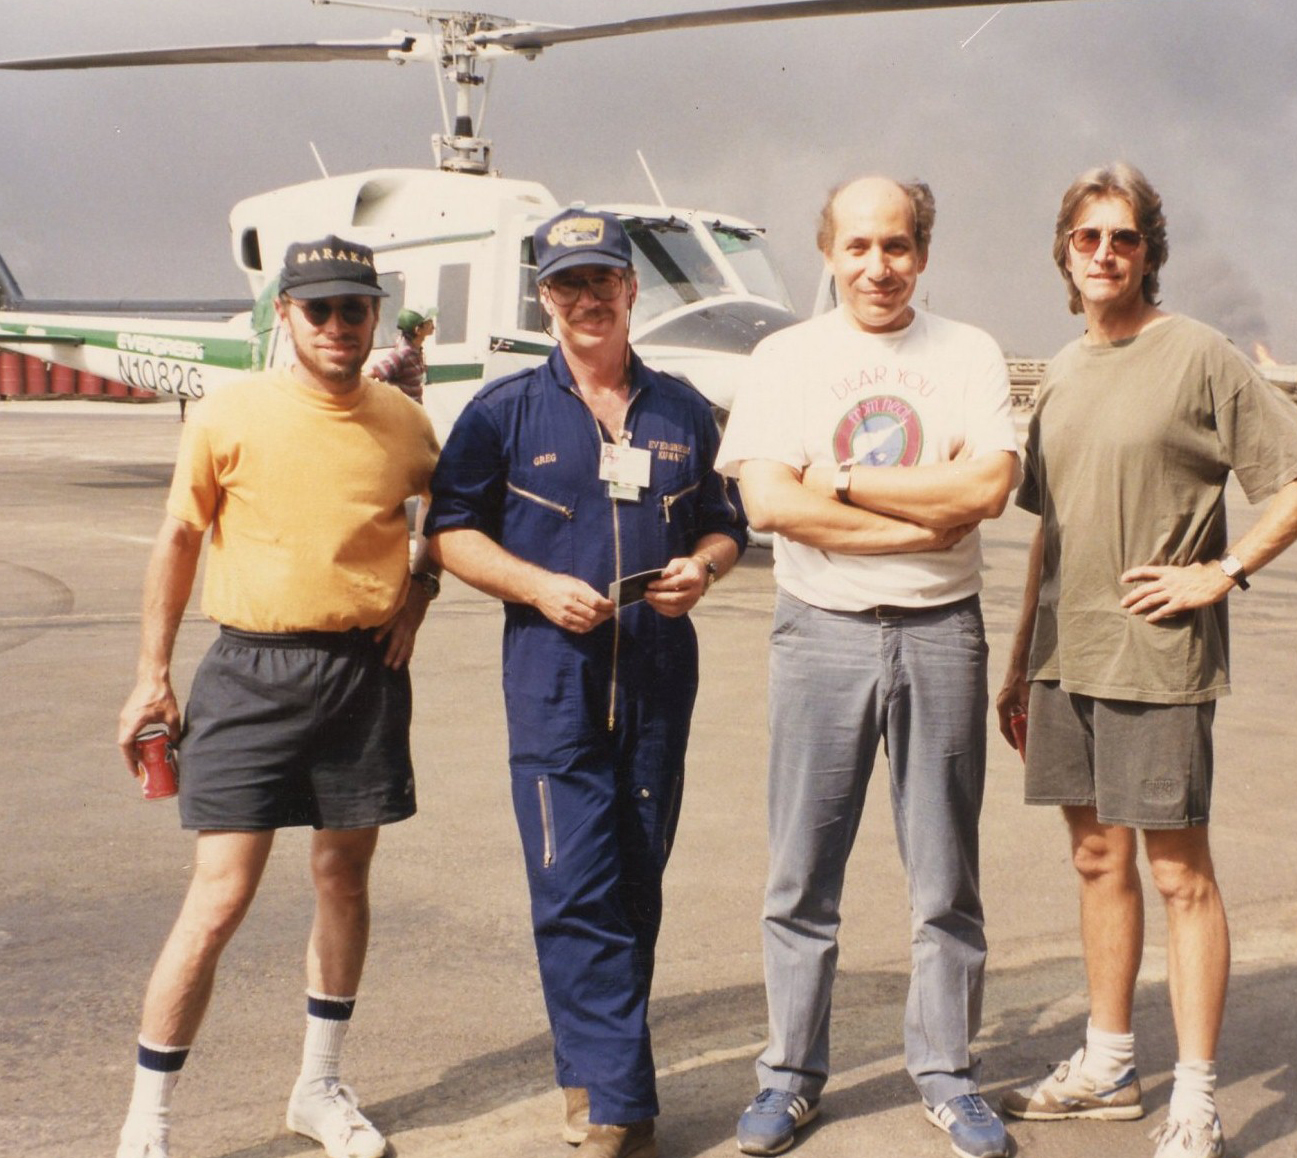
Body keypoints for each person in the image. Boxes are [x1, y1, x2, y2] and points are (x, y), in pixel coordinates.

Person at [995, 163, 1297, 1158]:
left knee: (1179, 871)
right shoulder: (1061, 369)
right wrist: (1022, 661)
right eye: (1087, 238)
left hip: (1157, 657)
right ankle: (1110, 1062)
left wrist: (1222, 571)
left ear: (1149, 251)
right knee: (1095, 857)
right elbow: (1047, 529)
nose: (1106, 253)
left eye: (1125, 238)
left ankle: (1194, 1092)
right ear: (1064, 253)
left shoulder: (1198, 353)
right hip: (1068, 657)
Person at [424, 208, 746, 1158]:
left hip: (656, 678)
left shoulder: (683, 409)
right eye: (567, 285)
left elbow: (728, 523)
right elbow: (450, 532)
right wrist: (532, 586)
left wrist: (707, 568)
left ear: (632, 288)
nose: (587, 299)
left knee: (635, 883)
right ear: (544, 298)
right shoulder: (503, 412)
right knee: (572, 885)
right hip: (553, 680)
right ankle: (614, 1102)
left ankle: (595, 1072)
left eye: (603, 280)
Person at [112, 236, 442, 1158]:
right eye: (319, 310)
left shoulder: (407, 424)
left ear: (374, 314)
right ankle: (148, 1121)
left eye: (354, 309)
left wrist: (418, 592)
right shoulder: (228, 414)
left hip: (363, 678)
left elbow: (446, 517)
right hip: (250, 672)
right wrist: (151, 674)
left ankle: (319, 1086)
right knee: (219, 899)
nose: (338, 326)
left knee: (343, 877)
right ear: (286, 315)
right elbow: (179, 540)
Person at [716, 176, 1019, 1158]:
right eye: (857, 247)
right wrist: (918, 523)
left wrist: (841, 483)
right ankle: (790, 1077)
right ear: (829, 252)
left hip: (942, 631)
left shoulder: (966, 352)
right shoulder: (785, 357)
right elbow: (768, 504)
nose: (877, 267)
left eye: (896, 246)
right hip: (821, 632)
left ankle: (946, 1072)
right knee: (801, 873)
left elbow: (985, 490)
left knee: (945, 877)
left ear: (921, 254)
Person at [369, 307, 435, 402]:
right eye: (429, 322)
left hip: (414, 411)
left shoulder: (416, 351)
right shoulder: (402, 354)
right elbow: (374, 374)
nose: (433, 325)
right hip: (402, 412)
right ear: (418, 330)